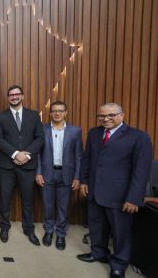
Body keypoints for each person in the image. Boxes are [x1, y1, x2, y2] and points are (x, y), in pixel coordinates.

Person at [77, 103, 152, 278]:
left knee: (121, 231)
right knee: (96, 226)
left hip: (120, 195)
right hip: (94, 191)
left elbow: (141, 171)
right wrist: (84, 181)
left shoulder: (139, 137)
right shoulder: (94, 133)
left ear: (122, 115)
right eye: (102, 116)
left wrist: (134, 198)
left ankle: (119, 263)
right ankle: (98, 253)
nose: (106, 119)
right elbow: (87, 159)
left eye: (111, 115)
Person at [0, 85, 44, 245]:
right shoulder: (0, 117)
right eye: (11, 95)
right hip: (6, 166)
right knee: (5, 198)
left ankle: (29, 229)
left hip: (27, 165)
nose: (14, 97)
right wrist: (16, 154)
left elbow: (40, 138)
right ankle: (4, 227)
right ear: (8, 97)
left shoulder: (34, 115)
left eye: (17, 94)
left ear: (22, 96)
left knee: (28, 199)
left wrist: (26, 155)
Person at [35, 101, 83, 250]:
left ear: (65, 112)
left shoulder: (75, 131)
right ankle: (49, 231)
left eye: (60, 111)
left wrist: (77, 177)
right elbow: (37, 153)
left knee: (63, 206)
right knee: (48, 205)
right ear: (50, 113)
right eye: (54, 111)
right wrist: (38, 172)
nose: (57, 113)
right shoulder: (42, 129)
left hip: (66, 175)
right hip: (47, 173)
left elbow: (79, 156)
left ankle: (61, 234)